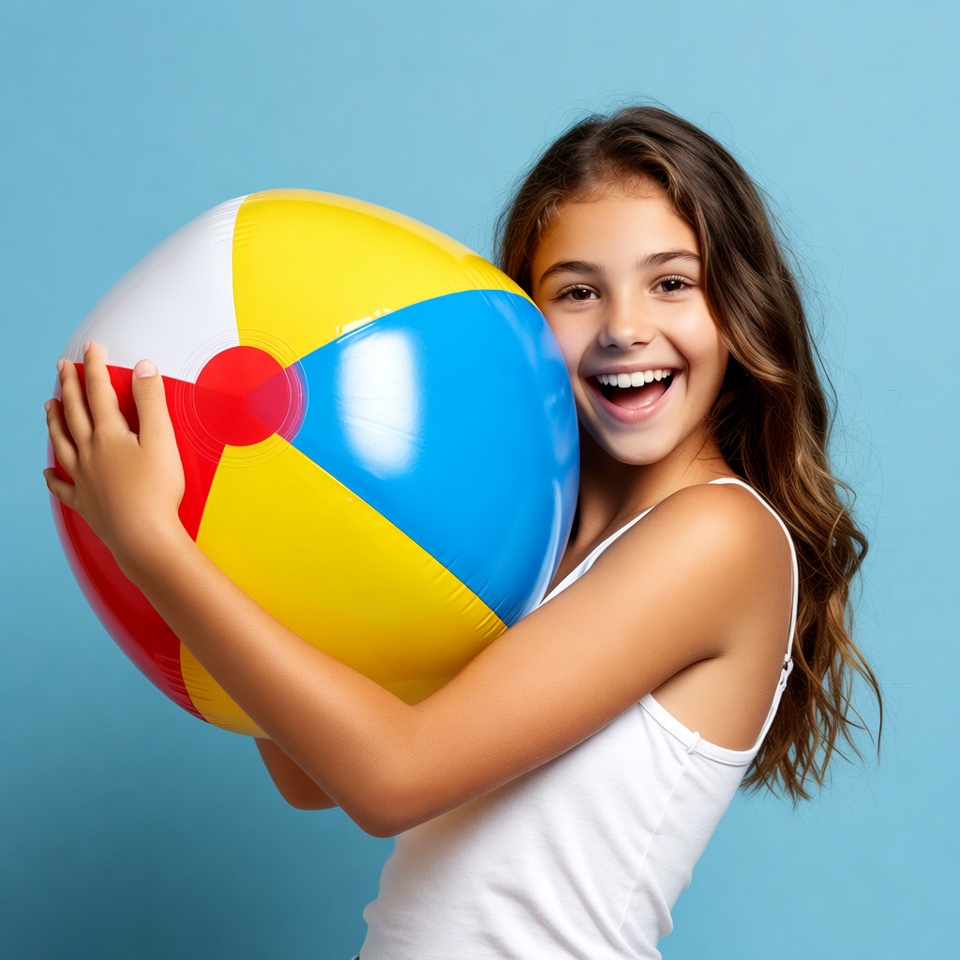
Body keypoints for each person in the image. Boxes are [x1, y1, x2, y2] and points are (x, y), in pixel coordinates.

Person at [44, 105, 880, 959]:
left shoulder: (720, 535)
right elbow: (309, 774)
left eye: (671, 282)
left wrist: (155, 546)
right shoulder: (527, 541)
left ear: (739, 308)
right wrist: (238, 511)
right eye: (578, 291)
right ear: (519, 318)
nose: (625, 327)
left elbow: (391, 780)